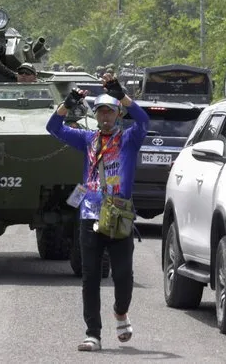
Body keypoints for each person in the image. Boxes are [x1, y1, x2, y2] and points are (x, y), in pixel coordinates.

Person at [46, 74, 149, 352]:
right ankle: (93, 333)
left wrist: (122, 94)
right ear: (96, 115)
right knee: (90, 277)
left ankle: (120, 312)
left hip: (119, 216)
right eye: (101, 112)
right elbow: (53, 127)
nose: (105, 117)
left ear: (117, 114)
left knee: (123, 276)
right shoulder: (87, 139)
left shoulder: (129, 139)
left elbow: (144, 120)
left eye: (110, 112)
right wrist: (66, 104)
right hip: (90, 215)